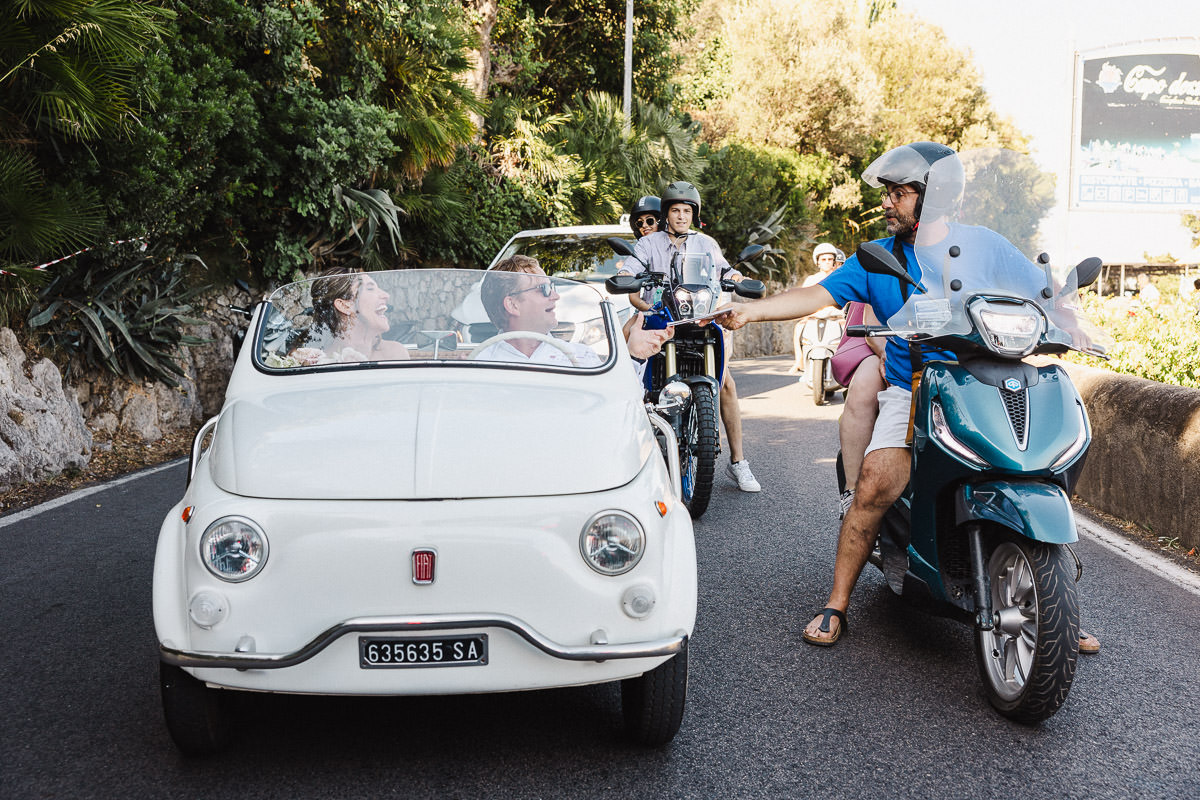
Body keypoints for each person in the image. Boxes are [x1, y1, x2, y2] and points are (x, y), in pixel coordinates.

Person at [717, 141, 1097, 648]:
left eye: (899, 194)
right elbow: (817, 295)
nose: (887, 203)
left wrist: (1071, 320)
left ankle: (1053, 606)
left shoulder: (985, 245)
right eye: (889, 194)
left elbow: (1041, 291)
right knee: (874, 483)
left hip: (984, 379)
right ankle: (837, 601)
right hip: (914, 386)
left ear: (934, 200)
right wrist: (753, 311)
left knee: (1037, 464)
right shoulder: (878, 258)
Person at [622, 180, 762, 493]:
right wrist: (627, 277)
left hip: (702, 317)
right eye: (675, 210)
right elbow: (631, 268)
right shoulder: (649, 244)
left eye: (687, 210)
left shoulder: (706, 243)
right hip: (662, 315)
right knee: (632, 371)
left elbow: (726, 271)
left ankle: (738, 462)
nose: (681, 216)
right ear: (666, 214)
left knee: (725, 382)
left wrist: (738, 278)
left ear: (693, 214)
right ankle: (627, 446)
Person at [477, 255, 671, 366]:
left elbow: (618, 407)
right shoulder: (481, 363)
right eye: (543, 289)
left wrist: (634, 355)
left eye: (552, 286)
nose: (555, 296)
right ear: (512, 305)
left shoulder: (580, 356)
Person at [307, 267, 410, 362]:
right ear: (344, 305)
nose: (386, 295)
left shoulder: (395, 353)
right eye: (370, 289)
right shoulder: (318, 361)